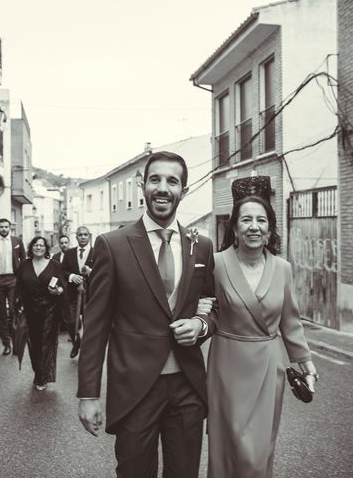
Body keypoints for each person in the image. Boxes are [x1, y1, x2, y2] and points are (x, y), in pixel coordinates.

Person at [77, 151, 217, 478]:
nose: (163, 188)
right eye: (155, 179)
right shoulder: (112, 245)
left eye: (172, 181)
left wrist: (200, 325)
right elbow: (95, 327)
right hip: (135, 390)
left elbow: (213, 305)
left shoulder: (202, 245)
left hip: (188, 388)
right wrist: (88, 394)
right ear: (143, 185)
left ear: (184, 188)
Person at [207, 175, 319, 478]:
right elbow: (203, 310)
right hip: (226, 366)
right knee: (228, 446)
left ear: (269, 230)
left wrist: (305, 362)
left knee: (257, 452)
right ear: (234, 228)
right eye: (245, 220)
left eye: (261, 220)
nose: (253, 226)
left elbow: (291, 321)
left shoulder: (282, 269)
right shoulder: (216, 265)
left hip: (269, 368)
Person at [14, 236, 66, 391]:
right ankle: (39, 371)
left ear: (46, 248)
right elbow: (19, 288)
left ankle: (41, 378)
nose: (38, 248)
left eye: (41, 245)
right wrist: (17, 306)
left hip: (49, 309)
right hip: (30, 310)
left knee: (45, 343)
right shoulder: (24, 265)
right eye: (36, 245)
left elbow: (62, 287)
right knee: (33, 344)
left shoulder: (54, 265)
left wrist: (56, 291)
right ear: (31, 248)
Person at [0, 218, 27, 355]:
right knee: (1, 314)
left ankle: (16, 344)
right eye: (1, 227)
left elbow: (24, 261)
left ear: (10, 227)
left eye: (6, 226)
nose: (4, 229)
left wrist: (23, 279)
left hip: (13, 280)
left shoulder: (17, 241)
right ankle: (6, 344)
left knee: (13, 312)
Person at [61, 226, 93, 358]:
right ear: (76, 237)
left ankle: (88, 351)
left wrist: (90, 271)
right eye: (80, 235)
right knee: (70, 321)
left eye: (86, 235)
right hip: (73, 295)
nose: (83, 237)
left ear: (89, 236)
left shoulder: (96, 252)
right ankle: (76, 342)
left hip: (91, 295)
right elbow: (62, 271)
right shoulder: (69, 253)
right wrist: (71, 277)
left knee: (89, 324)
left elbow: (104, 273)